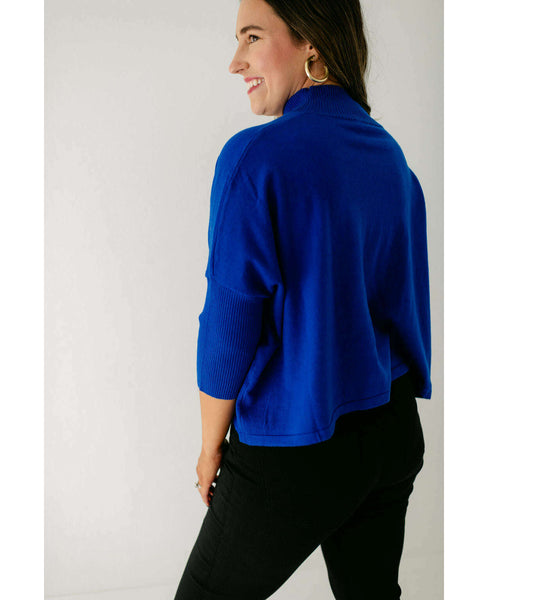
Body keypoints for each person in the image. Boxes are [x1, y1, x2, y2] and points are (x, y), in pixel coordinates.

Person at [174, 0, 432, 598]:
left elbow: (230, 322)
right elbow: (408, 309)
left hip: (295, 444)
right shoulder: (391, 158)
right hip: (391, 432)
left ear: (310, 42)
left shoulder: (255, 158)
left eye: (252, 37)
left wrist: (211, 447)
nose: (236, 62)